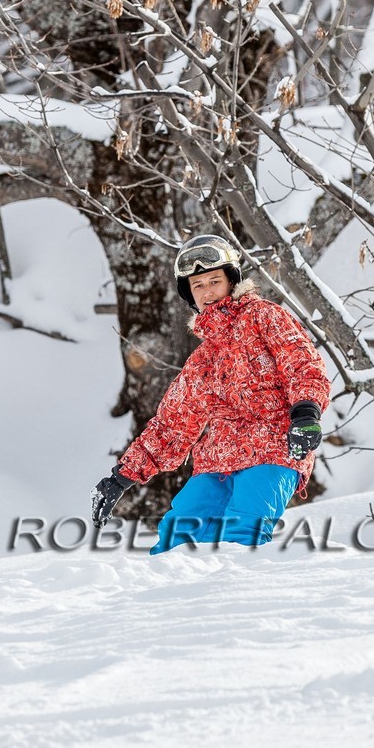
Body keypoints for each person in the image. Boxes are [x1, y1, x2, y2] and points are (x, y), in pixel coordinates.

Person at [89, 234, 330, 551]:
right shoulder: (202, 360)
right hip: (216, 463)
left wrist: (306, 414)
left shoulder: (264, 317)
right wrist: (120, 478)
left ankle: (235, 598)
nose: (207, 292)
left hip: (272, 451)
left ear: (232, 280)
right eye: (197, 285)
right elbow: (172, 426)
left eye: (214, 281)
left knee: (241, 535)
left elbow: (302, 364)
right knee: (177, 541)